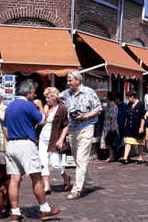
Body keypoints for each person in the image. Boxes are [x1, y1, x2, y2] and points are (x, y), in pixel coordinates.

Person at [3, 80, 60, 220]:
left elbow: (5, 130)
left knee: (14, 179)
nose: (35, 95)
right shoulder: (28, 105)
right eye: (34, 92)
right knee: (36, 177)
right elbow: (42, 120)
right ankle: (44, 209)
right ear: (28, 92)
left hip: (11, 144)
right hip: (25, 144)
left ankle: (15, 213)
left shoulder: (9, 106)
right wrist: (40, 105)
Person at [60, 70, 102, 200]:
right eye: (67, 80)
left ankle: (76, 190)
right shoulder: (66, 94)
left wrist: (85, 116)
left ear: (78, 80)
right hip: (72, 129)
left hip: (86, 127)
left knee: (81, 159)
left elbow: (99, 109)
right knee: (79, 159)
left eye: (70, 80)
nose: (68, 83)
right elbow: (56, 98)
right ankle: (88, 183)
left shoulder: (89, 92)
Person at [38, 87, 70, 194]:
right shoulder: (46, 107)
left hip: (54, 139)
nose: (46, 100)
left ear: (55, 97)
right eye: (46, 98)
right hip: (43, 138)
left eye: (48, 97)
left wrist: (61, 139)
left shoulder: (62, 109)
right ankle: (47, 186)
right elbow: (42, 121)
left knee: (55, 163)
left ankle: (66, 178)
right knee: (43, 162)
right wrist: (43, 109)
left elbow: (66, 126)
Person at [120, 89, 145, 164]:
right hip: (129, 127)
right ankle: (125, 158)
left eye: (128, 97)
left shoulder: (140, 104)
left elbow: (143, 116)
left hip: (138, 126)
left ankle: (140, 157)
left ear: (132, 97)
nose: (128, 99)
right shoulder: (129, 105)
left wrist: (141, 127)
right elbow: (127, 116)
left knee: (139, 142)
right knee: (128, 142)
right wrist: (125, 124)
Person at [101, 92, 119, 161]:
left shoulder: (113, 105)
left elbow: (113, 117)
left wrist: (112, 126)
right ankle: (111, 156)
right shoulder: (109, 105)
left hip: (111, 126)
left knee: (111, 142)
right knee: (109, 142)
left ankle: (112, 156)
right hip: (107, 126)